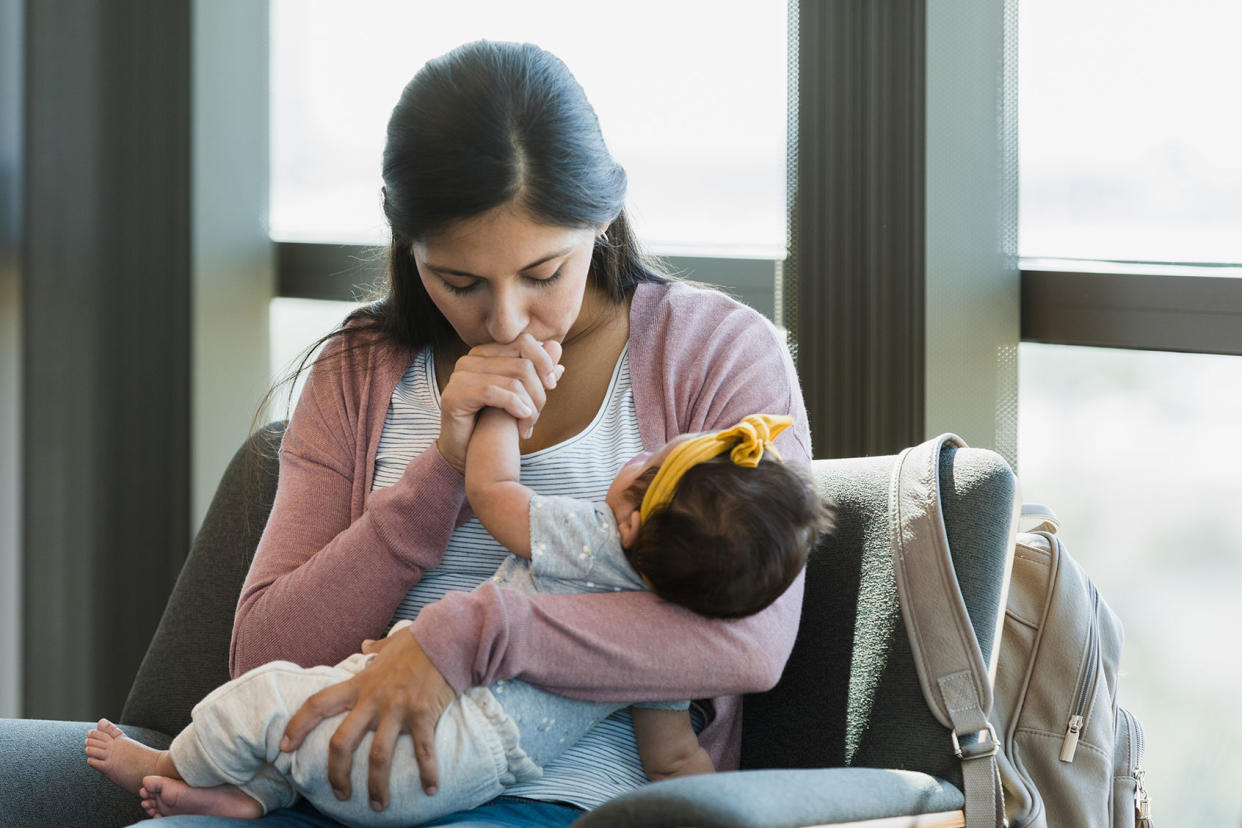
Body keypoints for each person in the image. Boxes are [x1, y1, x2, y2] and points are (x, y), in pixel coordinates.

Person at [125, 39, 814, 827]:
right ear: (408, 248)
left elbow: (747, 647)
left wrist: (467, 637)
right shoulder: (360, 369)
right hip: (325, 784)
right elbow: (261, 654)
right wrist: (441, 468)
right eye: (459, 282)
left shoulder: (716, 354)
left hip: (567, 798)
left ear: (603, 216)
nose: (505, 318)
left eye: (545, 272)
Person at [84, 413, 829, 825]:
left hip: (427, 740)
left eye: (652, 461)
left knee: (271, 697)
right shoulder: (667, 652)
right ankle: (254, 796)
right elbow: (673, 761)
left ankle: (174, 762)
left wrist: (499, 412)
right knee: (308, 714)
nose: (640, 451)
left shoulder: (596, 544)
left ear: (632, 524)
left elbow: (496, 491)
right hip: (468, 774)